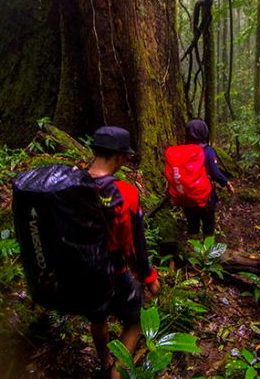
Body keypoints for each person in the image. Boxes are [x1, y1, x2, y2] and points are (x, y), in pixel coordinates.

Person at [87, 126, 161, 377]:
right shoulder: (125, 193)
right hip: (113, 273)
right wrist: (148, 278)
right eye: (126, 156)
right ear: (119, 156)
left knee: (97, 319)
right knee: (137, 319)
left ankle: (103, 360)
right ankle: (117, 372)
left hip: (81, 271)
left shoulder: (73, 185)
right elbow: (136, 244)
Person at [180, 118, 234, 237]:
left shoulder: (182, 151)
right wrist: (227, 183)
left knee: (192, 226)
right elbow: (215, 173)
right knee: (208, 227)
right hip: (205, 198)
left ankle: (193, 252)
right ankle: (208, 253)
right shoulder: (207, 151)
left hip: (187, 198)